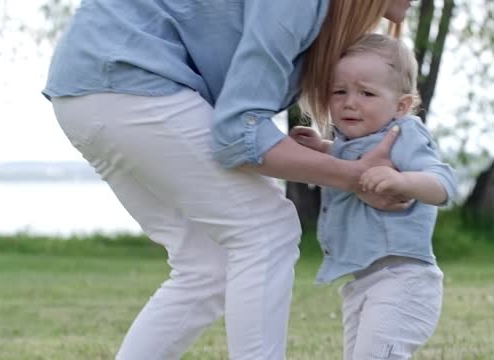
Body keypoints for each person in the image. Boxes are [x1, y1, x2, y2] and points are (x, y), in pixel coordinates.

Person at [42, 0, 417, 359]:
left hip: (86, 87)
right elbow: (237, 135)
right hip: (129, 80)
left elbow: (240, 129)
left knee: (206, 264)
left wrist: (341, 166)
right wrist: (356, 175)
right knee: (267, 230)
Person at [290, 33, 458, 359]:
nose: (350, 102)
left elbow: (444, 184)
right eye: (340, 91)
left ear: (401, 106)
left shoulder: (404, 134)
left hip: (404, 280)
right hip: (364, 283)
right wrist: (323, 149)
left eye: (366, 93)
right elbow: (353, 161)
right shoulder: (347, 144)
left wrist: (403, 181)